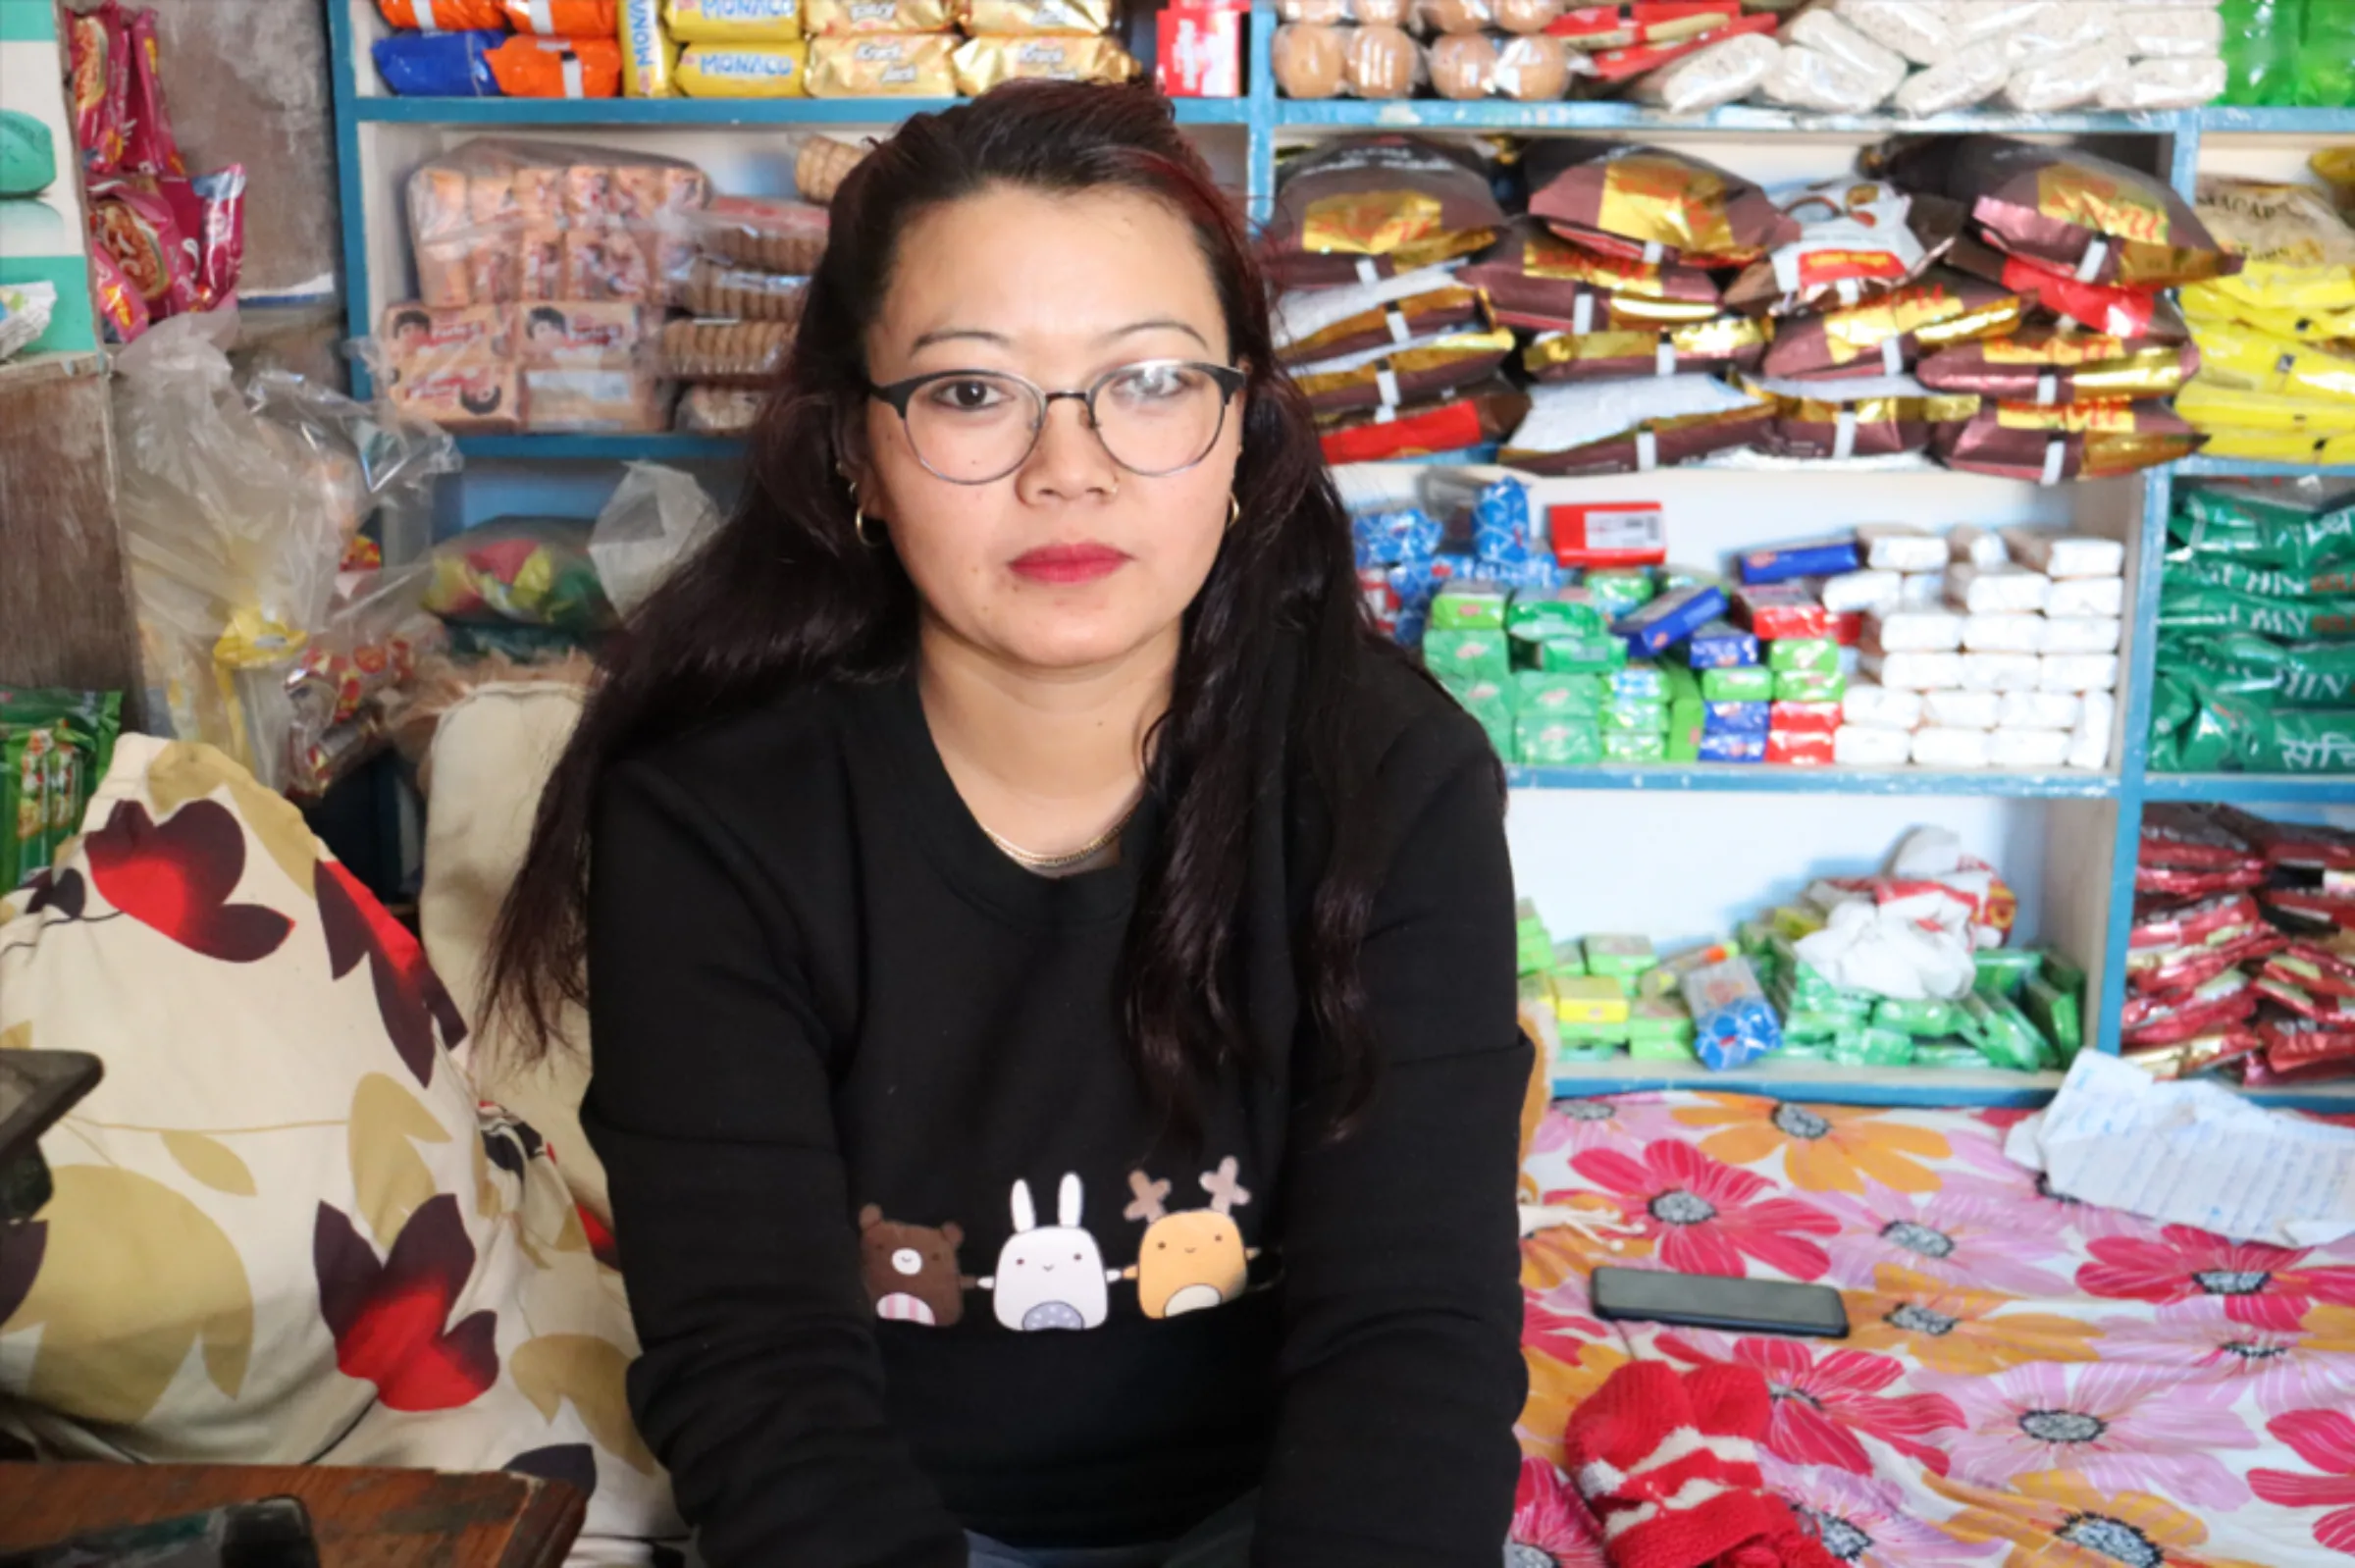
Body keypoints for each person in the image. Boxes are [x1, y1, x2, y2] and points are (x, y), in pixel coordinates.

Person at [485, 80, 1529, 1568]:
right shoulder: (712, 816)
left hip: (1276, 1516)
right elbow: (757, 1371)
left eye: (1153, 381)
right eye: (972, 392)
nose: (1070, 465)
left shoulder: (1391, 776)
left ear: (1242, 427)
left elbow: (1412, 1334)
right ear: (856, 448)